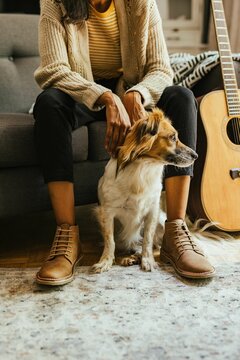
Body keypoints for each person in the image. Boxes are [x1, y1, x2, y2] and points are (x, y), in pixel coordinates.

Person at [33, 0, 215, 285]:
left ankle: (174, 232)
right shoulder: (55, 2)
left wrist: (137, 94)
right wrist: (105, 97)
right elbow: (53, 69)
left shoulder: (141, 3)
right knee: (49, 104)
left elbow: (160, 69)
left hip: (131, 95)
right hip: (81, 94)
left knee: (181, 96)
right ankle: (67, 235)